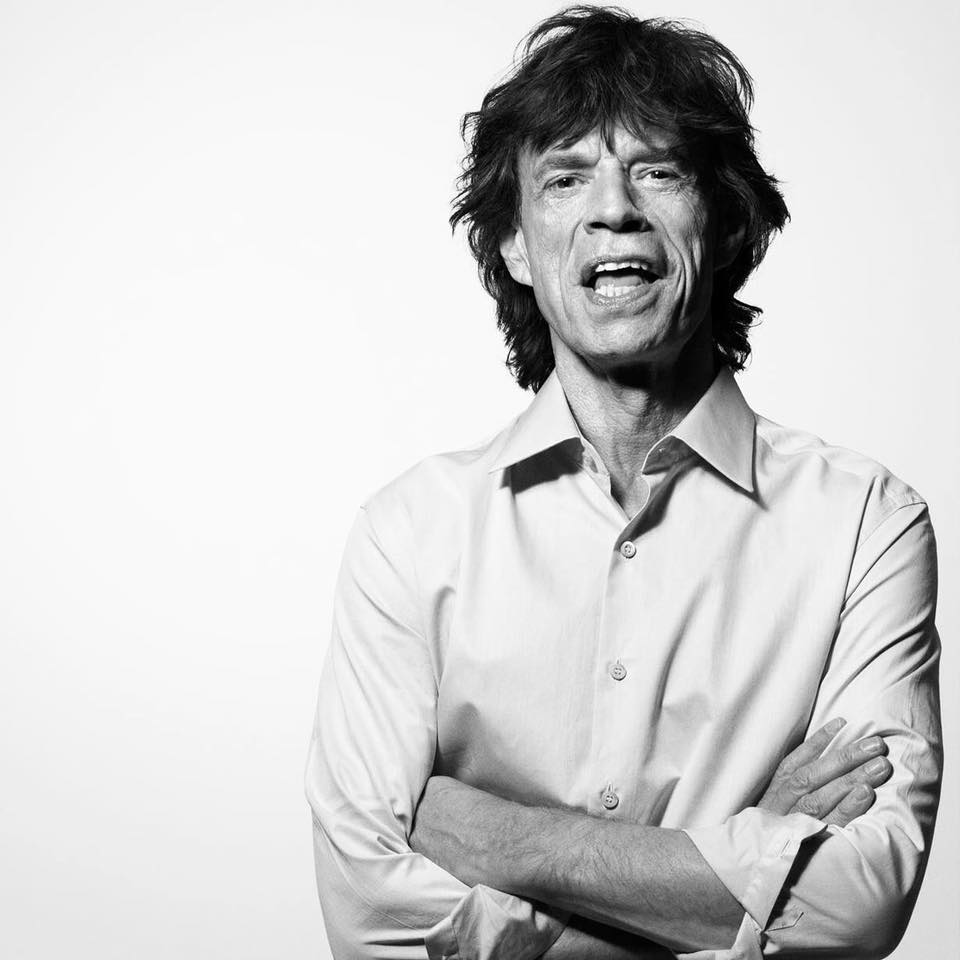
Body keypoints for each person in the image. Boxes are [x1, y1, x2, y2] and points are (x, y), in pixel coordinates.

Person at [305, 7, 942, 959]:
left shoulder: (865, 523)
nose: (614, 209)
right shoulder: (410, 532)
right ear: (515, 246)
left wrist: (497, 839)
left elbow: (857, 904)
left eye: (659, 171)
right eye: (565, 178)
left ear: (723, 222)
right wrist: (744, 853)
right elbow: (369, 922)